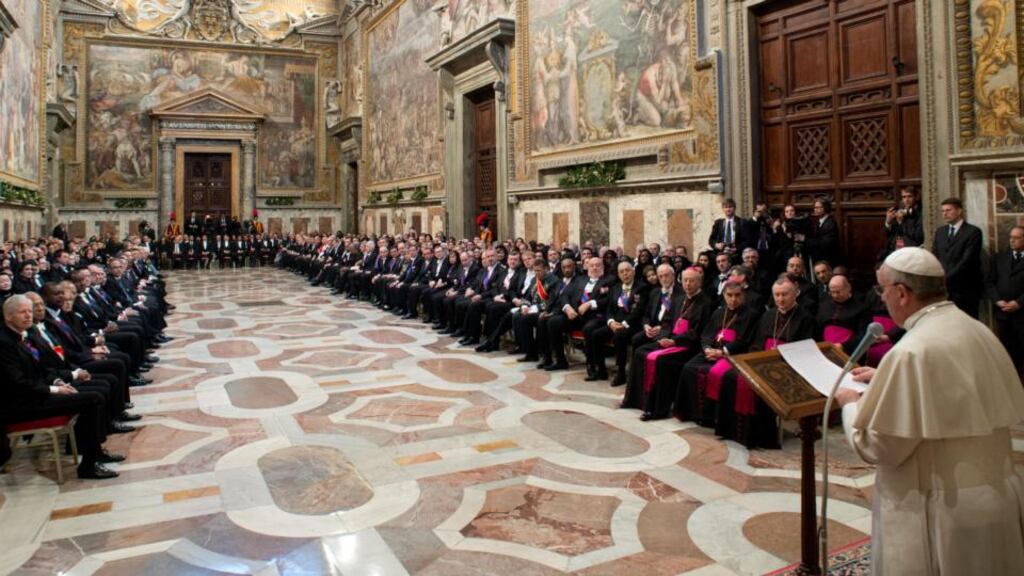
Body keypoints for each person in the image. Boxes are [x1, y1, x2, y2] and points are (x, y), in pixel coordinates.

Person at [836, 247, 1024, 575]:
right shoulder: (976, 329)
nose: (883, 299)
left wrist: (850, 405)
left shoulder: (909, 351)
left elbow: (880, 447)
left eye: (883, 290)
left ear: (902, 292)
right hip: (995, 498)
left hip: (941, 508)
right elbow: (955, 386)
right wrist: (885, 377)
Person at [0, 295, 122, 479]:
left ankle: (95, 452)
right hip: (20, 404)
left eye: (29, 311)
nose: (28, 316)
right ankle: (88, 466)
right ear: (8, 316)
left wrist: (57, 382)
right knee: (92, 399)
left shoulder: (23, 335)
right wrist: (55, 390)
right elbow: (17, 383)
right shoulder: (4, 343)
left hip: (37, 393)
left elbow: (42, 369)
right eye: (22, 312)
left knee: (98, 390)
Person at [931, 197, 983, 318]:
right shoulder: (940, 232)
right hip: (944, 291)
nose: (945, 214)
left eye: (948, 210)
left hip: (965, 290)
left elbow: (967, 261)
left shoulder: (973, 232)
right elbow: (935, 256)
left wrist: (945, 278)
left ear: (959, 211)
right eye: (943, 211)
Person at [986, 225, 1024, 374]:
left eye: (1016, 238)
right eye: (1010, 237)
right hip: (1003, 313)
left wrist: (1019, 303)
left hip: (1021, 313)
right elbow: (989, 282)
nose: (1012, 241)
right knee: (1007, 351)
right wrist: (997, 300)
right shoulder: (999, 257)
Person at [882, 187, 924, 259]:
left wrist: (901, 222)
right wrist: (888, 222)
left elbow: (918, 237)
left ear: (916, 197)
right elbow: (887, 235)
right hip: (894, 250)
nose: (906, 200)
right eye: (904, 197)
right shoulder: (898, 210)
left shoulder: (920, 214)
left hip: (911, 252)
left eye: (909, 196)